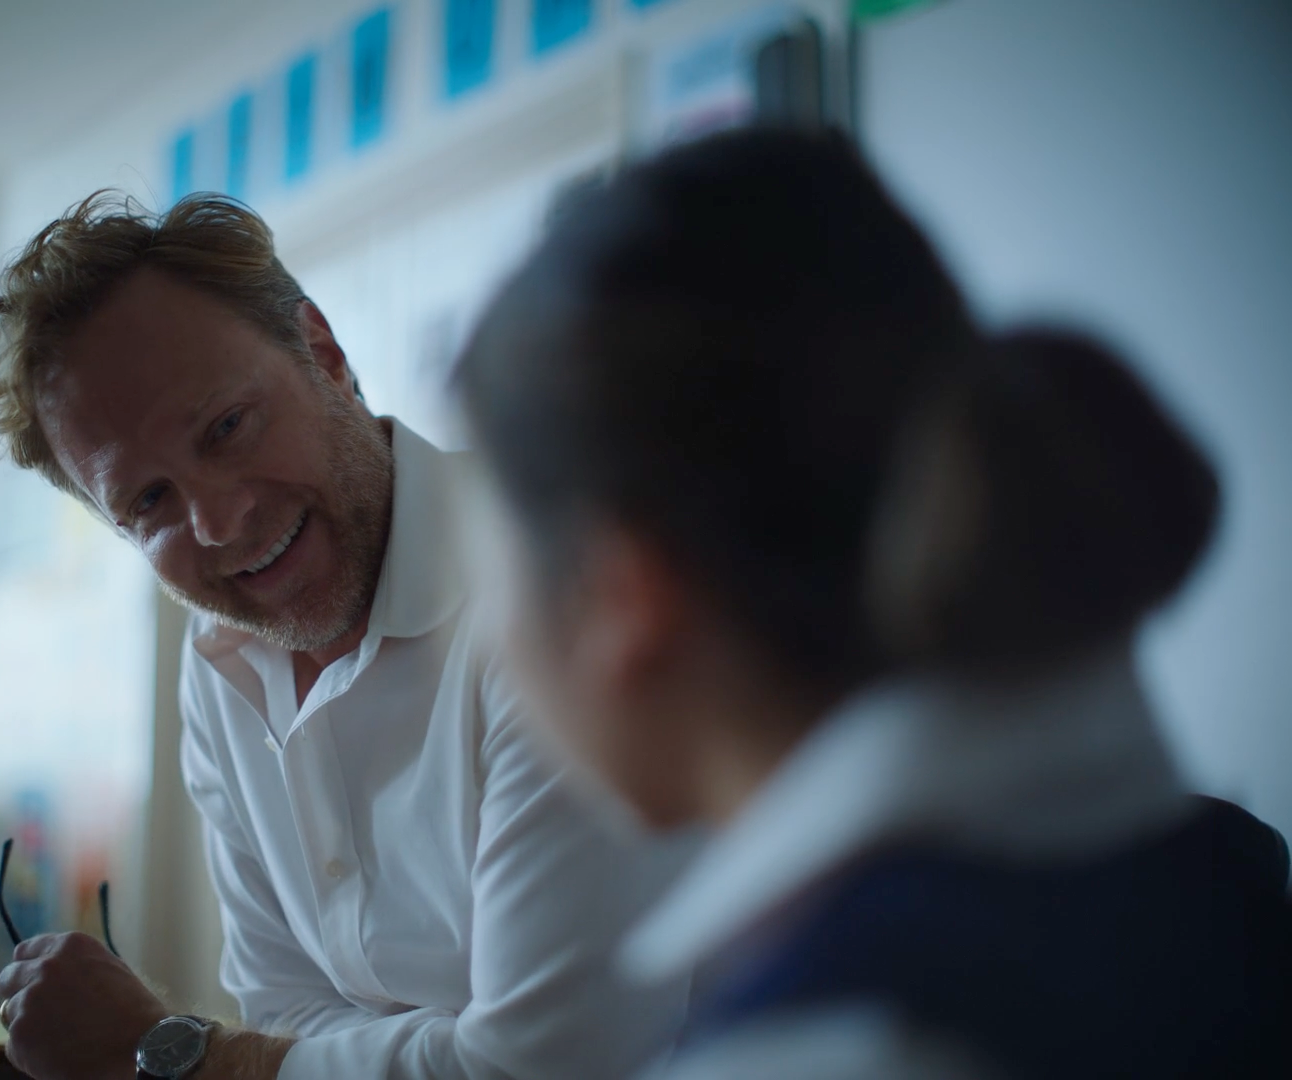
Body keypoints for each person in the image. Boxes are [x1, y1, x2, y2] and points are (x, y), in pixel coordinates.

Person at [452, 128, 1292, 1079]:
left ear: (621, 596)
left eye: (492, 557)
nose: (489, 627)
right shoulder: (1219, 869)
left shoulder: (820, 1047)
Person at [0, 193, 690, 1080]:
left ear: (323, 352)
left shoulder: (554, 587)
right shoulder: (218, 667)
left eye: (227, 427)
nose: (220, 521)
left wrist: (167, 1052)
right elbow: (286, 1012)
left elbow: (545, 1065)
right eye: (149, 501)